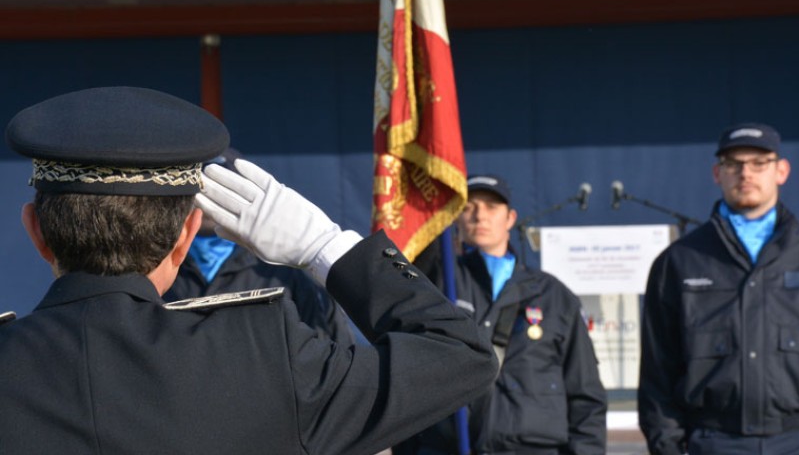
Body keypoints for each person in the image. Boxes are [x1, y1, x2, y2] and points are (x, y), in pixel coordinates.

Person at [0, 86, 498, 455]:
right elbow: (461, 355)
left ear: (34, 231)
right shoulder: (263, 356)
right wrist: (324, 246)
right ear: (187, 235)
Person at [638, 122, 799, 455]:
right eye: (734, 164)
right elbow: (657, 376)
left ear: (782, 171)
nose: (746, 173)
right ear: (717, 174)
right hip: (715, 442)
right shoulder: (680, 263)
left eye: (759, 163)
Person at [397, 175, 607, 455]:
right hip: (451, 447)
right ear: (456, 218)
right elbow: (409, 377)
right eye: (469, 207)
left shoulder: (553, 295)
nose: (480, 216)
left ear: (510, 218)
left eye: (491, 207)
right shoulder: (437, 285)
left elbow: (584, 391)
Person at [164, 147, 354, 345]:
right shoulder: (156, 265)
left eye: (226, 188)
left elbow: (332, 350)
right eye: (201, 185)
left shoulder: (285, 274)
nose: (210, 197)